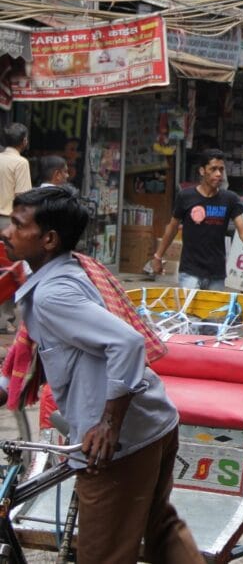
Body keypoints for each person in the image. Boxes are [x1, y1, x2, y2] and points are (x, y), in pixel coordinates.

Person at [0, 186, 203, 562]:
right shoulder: (69, 269)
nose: (6, 233)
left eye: (17, 225)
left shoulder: (53, 294)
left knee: (102, 554)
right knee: (161, 528)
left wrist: (109, 423)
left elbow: (127, 344)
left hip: (120, 443)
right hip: (154, 420)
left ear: (48, 239)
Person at [153, 149, 243, 289]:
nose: (218, 174)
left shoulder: (230, 199)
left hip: (216, 274)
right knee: (188, 311)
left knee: (215, 312)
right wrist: (158, 256)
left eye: (221, 170)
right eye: (213, 169)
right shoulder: (186, 196)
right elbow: (172, 228)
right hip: (190, 272)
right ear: (202, 171)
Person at [0, 123, 31, 331]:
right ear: (24, 141)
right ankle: (5, 318)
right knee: (10, 270)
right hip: (7, 220)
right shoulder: (20, 163)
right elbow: (22, 196)